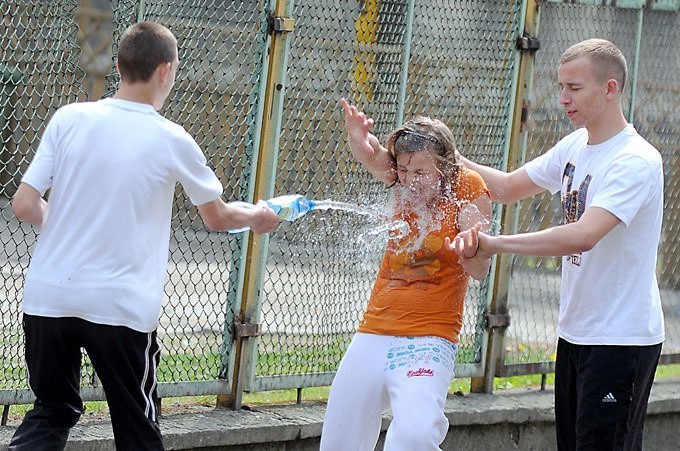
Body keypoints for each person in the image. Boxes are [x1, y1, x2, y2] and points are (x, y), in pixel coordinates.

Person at [9, 22, 280, 451]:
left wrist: (70, 227)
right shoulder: (171, 138)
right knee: (137, 427)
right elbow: (218, 216)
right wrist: (258, 216)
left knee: (52, 410)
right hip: (120, 307)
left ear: (118, 66)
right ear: (166, 71)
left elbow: (24, 204)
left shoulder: (69, 118)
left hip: (48, 300)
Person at [452, 38, 664, 450]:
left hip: (621, 338)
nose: (563, 98)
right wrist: (447, 156)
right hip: (577, 332)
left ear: (610, 88)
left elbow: (583, 235)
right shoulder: (576, 144)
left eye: (575, 88)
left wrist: (495, 244)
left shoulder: (635, 160)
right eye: (561, 87)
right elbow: (507, 187)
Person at [320, 98, 492, 451]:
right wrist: (356, 134)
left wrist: (470, 248)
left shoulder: (468, 188)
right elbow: (369, 154)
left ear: (444, 170)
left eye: (421, 173)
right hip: (375, 327)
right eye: (404, 171)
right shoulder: (400, 179)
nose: (410, 181)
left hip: (430, 335)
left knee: (415, 436)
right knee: (340, 439)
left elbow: (479, 270)